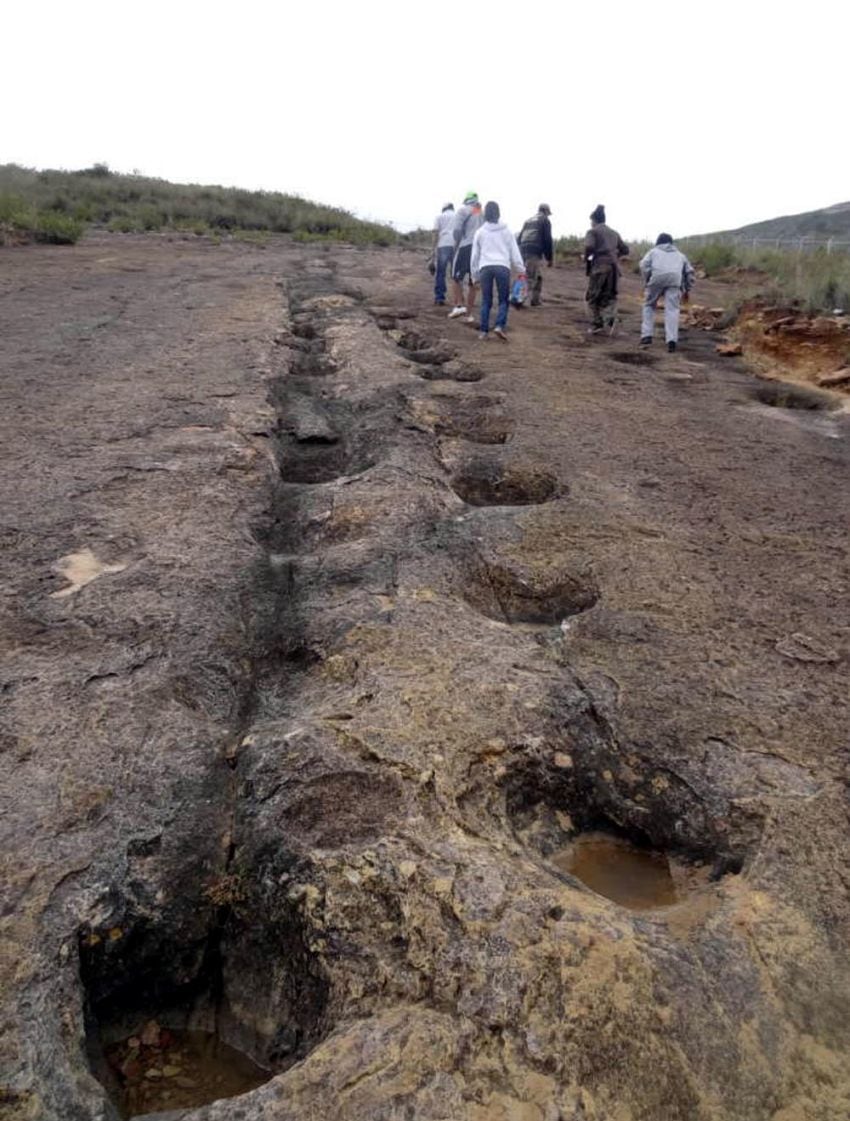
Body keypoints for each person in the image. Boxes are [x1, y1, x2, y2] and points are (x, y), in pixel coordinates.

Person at [470, 201, 525, 341]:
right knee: (503, 300)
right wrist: (520, 269)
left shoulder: (480, 232)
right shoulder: (507, 231)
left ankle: (483, 331)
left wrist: (474, 275)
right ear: (498, 213)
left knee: (486, 301)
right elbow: (514, 252)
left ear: (485, 214)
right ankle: (499, 326)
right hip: (502, 267)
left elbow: (475, 256)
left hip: (485, 268)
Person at [639, 233, 696, 352]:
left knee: (649, 305)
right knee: (672, 310)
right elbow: (689, 272)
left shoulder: (653, 252)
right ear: (671, 243)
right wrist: (687, 288)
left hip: (656, 279)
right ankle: (671, 341)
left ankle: (646, 336)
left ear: (658, 242)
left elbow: (643, 265)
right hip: (675, 281)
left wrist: (647, 279)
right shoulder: (680, 255)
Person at [583, 204, 629, 334]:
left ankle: (596, 324)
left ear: (594, 220)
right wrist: (614, 256)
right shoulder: (614, 233)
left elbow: (589, 247)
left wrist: (587, 258)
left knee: (592, 297)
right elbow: (625, 249)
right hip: (614, 269)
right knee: (609, 296)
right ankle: (610, 319)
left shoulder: (592, 231)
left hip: (599, 267)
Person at [448, 192, 483, 321]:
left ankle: (458, 306)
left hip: (466, 246)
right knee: (473, 281)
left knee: (456, 277)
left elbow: (457, 230)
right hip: (479, 249)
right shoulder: (480, 211)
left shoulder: (463, 210)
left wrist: (456, 244)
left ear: (466, 199)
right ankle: (469, 314)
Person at [518, 203, 554, 305]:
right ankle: (518, 299)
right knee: (530, 277)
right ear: (546, 211)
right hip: (533, 251)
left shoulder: (528, 220)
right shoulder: (545, 220)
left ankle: (535, 300)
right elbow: (548, 240)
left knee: (538, 277)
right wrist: (549, 258)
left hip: (523, 250)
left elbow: (519, 238)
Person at [431, 202, 455, 306]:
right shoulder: (458, 216)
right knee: (455, 274)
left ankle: (439, 297)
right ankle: (459, 299)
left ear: (443, 209)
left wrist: (433, 249)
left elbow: (435, 233)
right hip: (455, 245)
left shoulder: (439, 217)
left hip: (443, 244)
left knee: (441, 272)